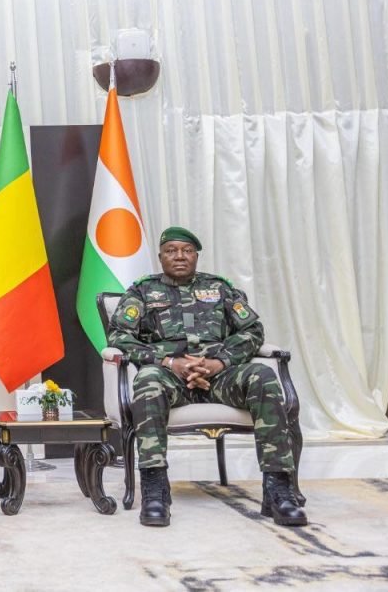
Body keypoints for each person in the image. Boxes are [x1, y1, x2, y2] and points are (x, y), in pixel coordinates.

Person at [108, 226, 306, 528]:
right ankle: (155, 491)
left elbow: (252, 330)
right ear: (160, 256)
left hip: (221, 378)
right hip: (170, 378)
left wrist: (218, 362)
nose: (179, 256)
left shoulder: (219, 288)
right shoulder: (142, 291)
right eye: (172, 251)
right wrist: (169, 362)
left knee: (263, 376)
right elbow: (119, 336)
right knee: (147, 381)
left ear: (196, 256)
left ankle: (279, 491)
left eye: (187, 251)